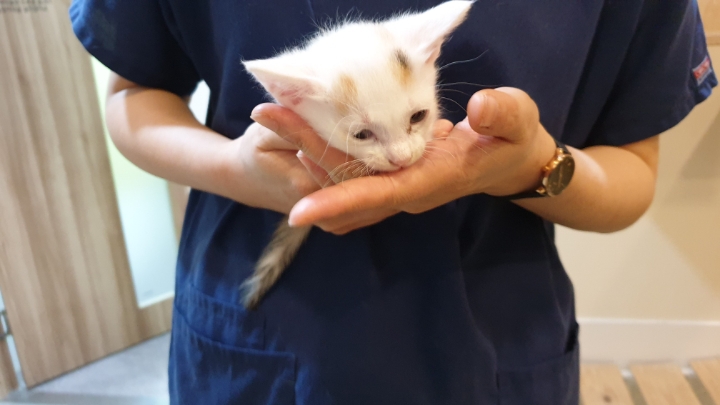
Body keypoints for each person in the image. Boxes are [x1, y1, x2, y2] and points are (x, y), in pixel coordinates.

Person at [70, 1, 715, 404]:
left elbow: (633, 175)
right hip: (266, 337)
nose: (404, 155)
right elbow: (131, 94)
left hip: (495, 340)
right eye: (367, 136)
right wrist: (238, 171)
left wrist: (531, 167)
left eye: (415, 121)